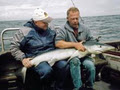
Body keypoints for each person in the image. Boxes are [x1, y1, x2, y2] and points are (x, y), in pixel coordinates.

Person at [10, 8, 69, 90]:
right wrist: (23, 59)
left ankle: (59, 88)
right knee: (46, 71)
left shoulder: (51, 28)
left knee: (64, 65)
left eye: (47, 21)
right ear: (36, 22)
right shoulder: (24, 31)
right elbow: (14, 47)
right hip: (36, 58)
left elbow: (59, 40)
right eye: (44, 22)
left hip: (53, 55)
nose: (47, 24)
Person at [55, 7, 95, 90]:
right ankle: (78, 87)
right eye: (72, 19)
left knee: (90, 66)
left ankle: (89, 86)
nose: (75, 21)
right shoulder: (62, 29)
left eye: (77, 18)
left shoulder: (85, 28)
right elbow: (58, 43)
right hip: (71, 56)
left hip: (84, 55)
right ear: (67, 18)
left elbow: (92, 41)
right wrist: (75, 44)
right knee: (75, 61)